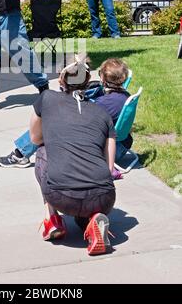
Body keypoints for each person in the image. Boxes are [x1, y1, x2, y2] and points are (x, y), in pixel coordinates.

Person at [31, 56, 116, 255]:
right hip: (104, 197)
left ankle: (52, 219)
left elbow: (35, 138)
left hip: (61, 195)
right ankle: (94, 220)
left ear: (61, 80)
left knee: (43, 151)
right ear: (88, 82)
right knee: (88, 201)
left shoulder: (47, 99)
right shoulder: (102, 113)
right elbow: (110, 168)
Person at [0, 58, 131, 179]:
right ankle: (20, 152)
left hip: (102, 151)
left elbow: (81, 119)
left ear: (103, 78)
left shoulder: (103, 104)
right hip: (120, 145)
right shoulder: (121, 96)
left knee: (48, 124)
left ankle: (19, 154)